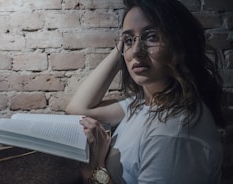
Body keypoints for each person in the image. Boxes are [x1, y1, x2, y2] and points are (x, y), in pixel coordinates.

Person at [66, 0, 226, 183]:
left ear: (179, 45)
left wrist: (95, 170)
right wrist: (122, 46)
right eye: (129, 40)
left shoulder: (172, 134)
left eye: (151, 37)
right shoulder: (145, 102)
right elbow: (78, 109)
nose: (136, 52)